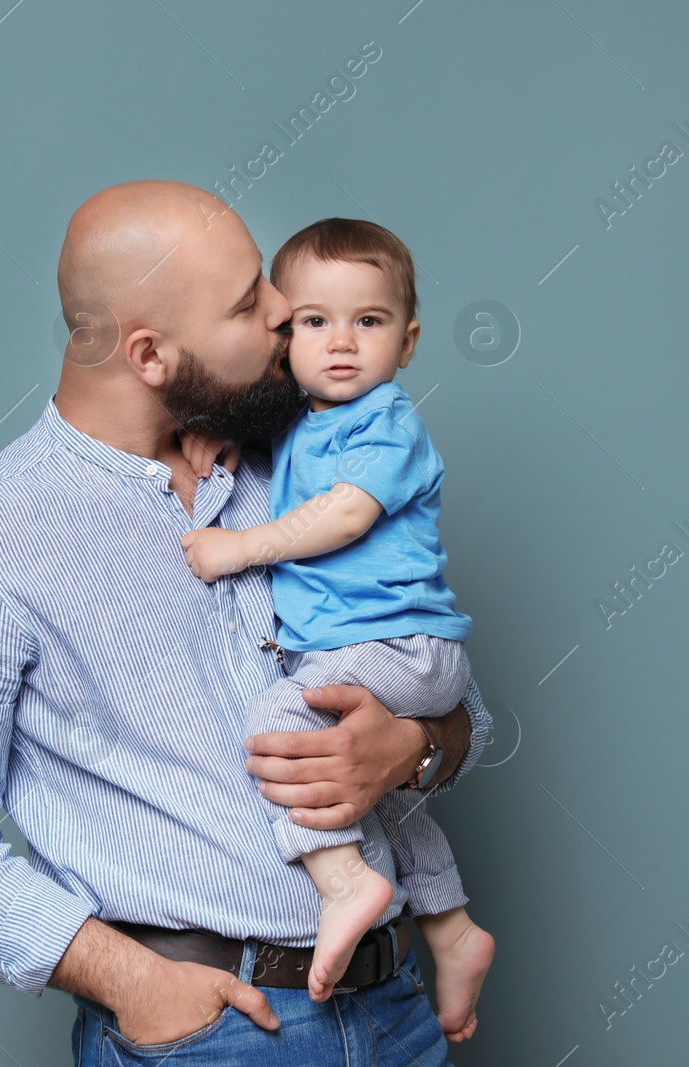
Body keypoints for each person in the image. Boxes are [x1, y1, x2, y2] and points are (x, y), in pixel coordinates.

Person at [0, 179, 493, 1065]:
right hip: (210, 1036)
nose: (289, 311)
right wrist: (137, 984)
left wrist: (414, 747)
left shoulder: (298, 468)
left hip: (398, 1010)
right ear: (151, 355)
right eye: (251, 303)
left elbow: (463, 698)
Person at [179, 217, 495, 1041]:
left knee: (282, 721)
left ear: (410, 339)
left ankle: (344, 883)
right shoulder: (299, 426)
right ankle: (452, 931)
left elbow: (345, 513)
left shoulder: (386, 424)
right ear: (285, 336)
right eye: (315, 321)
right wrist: (219, 429)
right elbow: (267, 437)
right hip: (373, 654)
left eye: (370, 320)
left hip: (407, 649)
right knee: (370, 792)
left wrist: (240, 546)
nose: (342, 343)